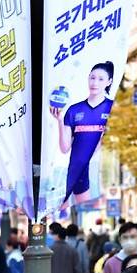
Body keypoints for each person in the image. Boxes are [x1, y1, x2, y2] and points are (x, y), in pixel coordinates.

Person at [50, 61, 115, 206]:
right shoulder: (74, 110)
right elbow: (65, 148)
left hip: (101, 169)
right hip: (76, 170)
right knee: (78, 211)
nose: (95, 82)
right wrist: (60, 121)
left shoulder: (112, 108)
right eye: (92, 77)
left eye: (100, 79)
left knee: (96, 211)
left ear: (109, 82)